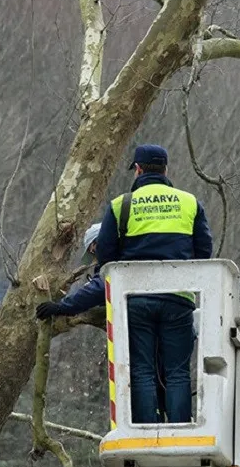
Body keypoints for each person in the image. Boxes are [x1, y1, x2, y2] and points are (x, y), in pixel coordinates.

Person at [36, 144, 212, 425]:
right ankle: (180, 426)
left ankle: (145, 428)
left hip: (136, 299)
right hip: (178, 298)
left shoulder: (121, 205)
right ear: (166, 170)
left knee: (141, 369)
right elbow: (204, 253)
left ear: (138, 170)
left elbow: (107, 261)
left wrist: (63, 306)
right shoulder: (190, 203)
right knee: (177, 371)